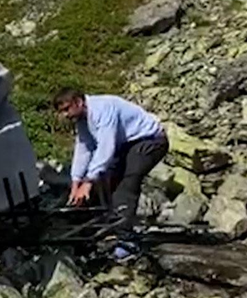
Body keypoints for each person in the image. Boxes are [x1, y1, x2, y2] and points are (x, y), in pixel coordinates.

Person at [53, 89, 168, 255]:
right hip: (127, 145)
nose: (65, 115)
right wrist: (76, 181)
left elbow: (106, 148)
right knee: (106, 182)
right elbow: (84, 148)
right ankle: (106, 225)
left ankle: (126, 241)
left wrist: (88, 181)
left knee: (126, 184)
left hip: (150, 140)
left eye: (66, 109)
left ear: (78, 102)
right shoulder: (82, 119)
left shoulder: (103, 109)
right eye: (61, 111)